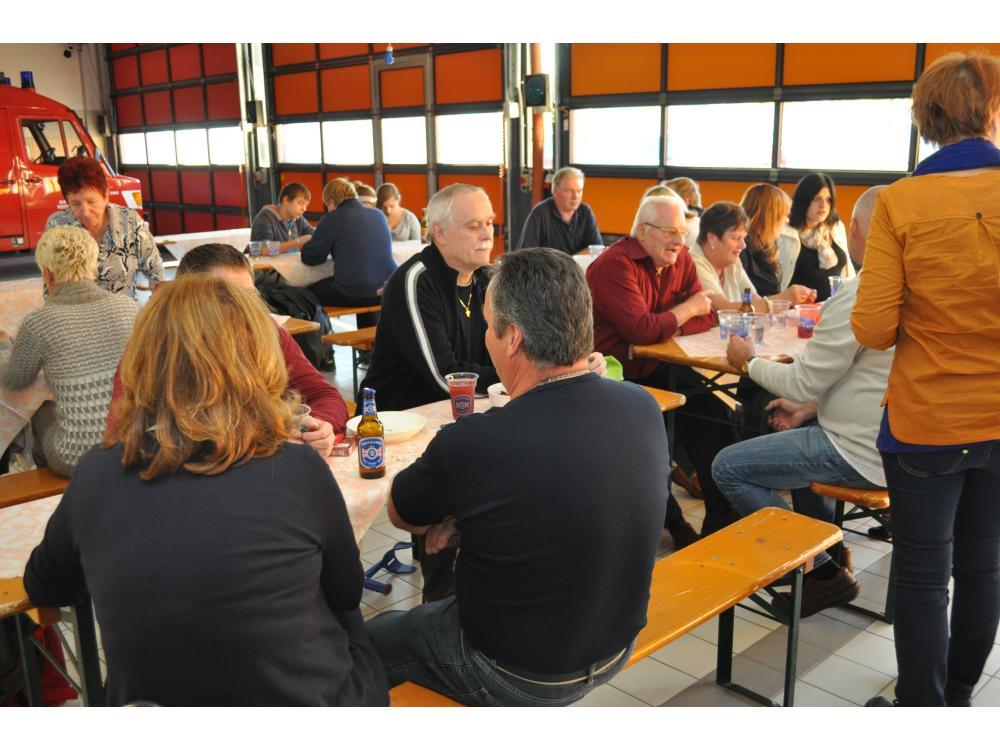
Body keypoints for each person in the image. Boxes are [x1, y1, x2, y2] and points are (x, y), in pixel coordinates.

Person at [23, 274, 388, 706]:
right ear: (256, 360)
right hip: (303, 704)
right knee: (372, 627)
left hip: (151, 710)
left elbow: (45, 585)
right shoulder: (297, 468)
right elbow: (346, 591)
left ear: (141, 362)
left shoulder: (98, 474)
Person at [366, 248, 667, 706]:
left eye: (488, 327)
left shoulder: (477, 440)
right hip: (615, 647)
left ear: (512, 339)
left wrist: (457, 517)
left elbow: (402, 512)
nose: (485, 337)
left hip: (515, 670)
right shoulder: (640, 405)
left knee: (367, 640)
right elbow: (569, 499)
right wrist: (473, 520)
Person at [851, 52, 1000, 708]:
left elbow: (872, 328)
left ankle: (921, 708)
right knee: (984, 566)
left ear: (926, 118)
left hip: (926, 421)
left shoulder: (901, 201)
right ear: (991, 112)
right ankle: (960, 695)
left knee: (921, 575)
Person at [712, 185, 889, 618]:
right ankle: (832, 551)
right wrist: (809, 408)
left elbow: (803, 381)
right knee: (800, 429)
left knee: (727, 467)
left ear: (856, 231)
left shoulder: (863, 293)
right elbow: (866, 376)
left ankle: (822, 570)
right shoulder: (917, 286)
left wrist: (748, 362)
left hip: (856, 449)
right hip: (894, 441)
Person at [587, 194, 739, 543]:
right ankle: (674, 522)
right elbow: (643, 329)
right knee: (650, 437)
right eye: (670, 232)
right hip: (613, 374)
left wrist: (664, 326)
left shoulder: (680, 258)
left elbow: (707, 316)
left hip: (658, 364)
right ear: (642, 230)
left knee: (713, 414)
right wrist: (682, 312)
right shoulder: (615, 264)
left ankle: (721, 516)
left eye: (682, 232)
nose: (679, 241)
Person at [176, 243, 347, 443]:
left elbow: (324, 395)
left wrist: (318, 427)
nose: (246, 309)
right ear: (190, 302)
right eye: (228, 298)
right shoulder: (167, 349)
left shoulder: (267, 332)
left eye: (250, 295)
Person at [1, 226, 136, 477]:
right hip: (135, 444)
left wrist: (4, 346)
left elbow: (14, 380)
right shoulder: (130, 308)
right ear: (94, 265)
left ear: (47, 273)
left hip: (76, 456)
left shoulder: (40, 323)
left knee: (42, 412)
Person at [44, 156, 163, 299]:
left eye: (91, 201)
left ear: (106, 195)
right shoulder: (57, 226)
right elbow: (49, 285)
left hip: (123, 311)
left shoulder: (129, 221)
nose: (85, 212)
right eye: (75, 204)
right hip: (74, 311)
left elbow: (155, 271)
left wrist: (157, 303)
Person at [301, 178, 396, 330]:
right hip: (387, 289)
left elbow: (311, 257)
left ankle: (317, 341)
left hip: (354, 292)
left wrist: (305, 244)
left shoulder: (333, 217)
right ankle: (368, 342)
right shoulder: (378, 215)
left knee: (304, 295)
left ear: (332, 202)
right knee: (362, 283)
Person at [688, 201, 815, 312]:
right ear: (712, 238)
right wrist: (783, 299)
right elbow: (723, 309)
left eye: (743, 238)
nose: (743, 245)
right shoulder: (694, 264)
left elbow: (755, 301)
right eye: (735, 238)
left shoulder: (731, 261)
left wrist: (793, 301)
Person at [779, 173, 855, 300]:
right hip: (798, 309)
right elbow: (778, 280)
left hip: (835, 305)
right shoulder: (785, 233)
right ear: (804, 200)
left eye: (828, 200)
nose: (823, 205)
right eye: (817, 199)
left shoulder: (836, 227)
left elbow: (848, 269)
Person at [516, 166, 602, 253]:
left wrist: (572, 259)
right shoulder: (540, 213)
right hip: (547, 262)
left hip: (577, 262)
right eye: (569, 191)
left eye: (579, 191)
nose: (575, 196)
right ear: (555, 191)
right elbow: (525, 253)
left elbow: (597, 248)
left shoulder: (585, 212)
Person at [740, 183, 792, 296]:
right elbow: (742, 298)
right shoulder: (740, 249)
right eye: (784, 215)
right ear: (769, 216)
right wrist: (785, 297)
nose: (787, 220)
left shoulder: (768, 246)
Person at [249, 182, 314, 253]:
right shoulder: (265, 218)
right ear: (285, 200)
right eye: (300, 203)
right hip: (263, 260)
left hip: (291, 260)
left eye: (306, 205)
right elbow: (264, 250)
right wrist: (297, 242)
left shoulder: (298, 218)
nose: (304, 209)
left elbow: (314, 234)